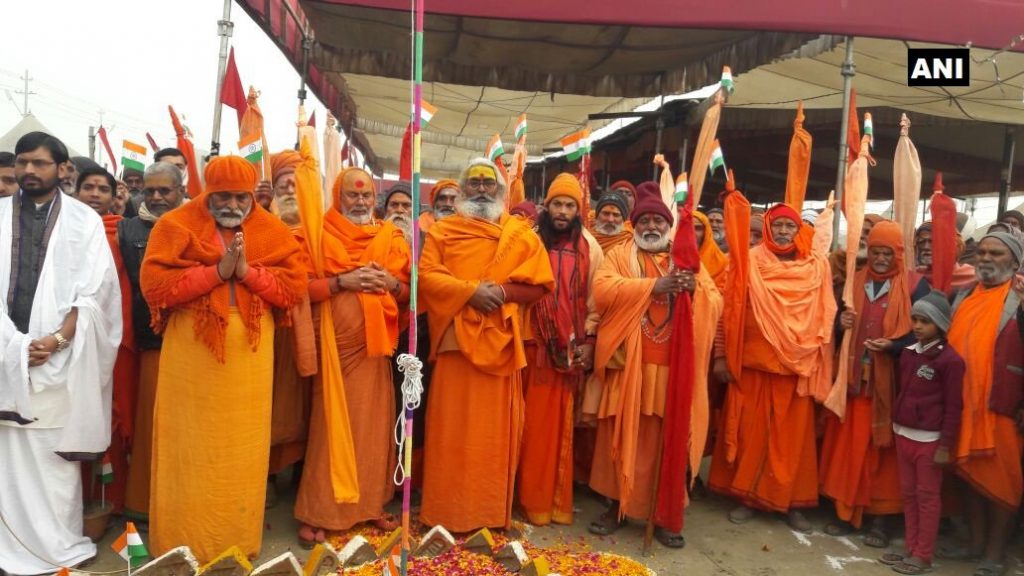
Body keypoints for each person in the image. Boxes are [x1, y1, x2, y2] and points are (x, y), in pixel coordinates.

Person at [141, 155, 306, 563]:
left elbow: (291, 291)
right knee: (189, 448)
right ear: (206, 193)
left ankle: (234, 542)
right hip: (191, 353)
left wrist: (247, 272)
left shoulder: (271, 231)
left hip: (249, 355)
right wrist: (216, 272)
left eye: (240, 197)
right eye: (222, 197)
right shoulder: (175, 225)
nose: (232, 205)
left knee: (242, 448)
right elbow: (156, 288)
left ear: (252, 196)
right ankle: (180, 544)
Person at [0, 131, 121, 574]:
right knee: (6, 456)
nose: (29, 170)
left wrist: (56, 341)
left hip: (61, 358)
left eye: (39, 163)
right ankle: (6, 548)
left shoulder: (83, 221)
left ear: (62, 169)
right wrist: (10, 346)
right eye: (22, 162)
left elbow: (95, 294)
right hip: (3, 357)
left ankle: (55, 547)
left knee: (53, 457)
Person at [419, 158, 554, 532]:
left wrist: (503, 291)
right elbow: (427, 277)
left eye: (488, 183)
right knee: (451, 429)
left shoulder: (520, 234)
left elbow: (541, 285)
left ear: (500, 190)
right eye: (474, 182)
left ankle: (488, 514)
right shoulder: (444, 232)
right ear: (462, 190)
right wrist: (470, 292)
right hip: (455, 342)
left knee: (492, 436)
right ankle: (445, 513)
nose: (481, 188)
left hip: (501, 344)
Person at [586, 182, 722, 548]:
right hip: (629, 363)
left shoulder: (685, 257)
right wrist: (654, 287)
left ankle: (665, 515)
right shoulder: (621, 255)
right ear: (636, 224)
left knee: (669, 440)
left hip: (672, 370)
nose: (651, 227)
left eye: (657, 221)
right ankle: (616, 506)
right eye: (644, 220)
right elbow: (603, 289)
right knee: (619, 438)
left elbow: (714, 300)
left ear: (668, 225)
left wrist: (694, 290)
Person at [294, 167, 412, 544]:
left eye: (365, 196)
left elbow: (408, 290)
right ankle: (322, 510)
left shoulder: (390, 237)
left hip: (374, 351)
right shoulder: (316, 233)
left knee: (374, 426)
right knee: (331, 428)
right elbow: (297, 288)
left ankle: (370, 505)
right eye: (352, 195)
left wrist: (391, 283)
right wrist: (340, 282)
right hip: (333, 347)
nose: (360, 202)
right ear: (337, 196)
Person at [709, 199, 837, 533]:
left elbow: (825, 312)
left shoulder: (815, 266)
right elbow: (729, 310)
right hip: (752, 364)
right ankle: (747, 498)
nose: (782, 232)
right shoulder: (747, 262)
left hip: (797, 367)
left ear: (799, 230)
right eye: (777, 225)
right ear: (767, 228)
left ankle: (790, 503)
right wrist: (722, 355)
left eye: (789, 226)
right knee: (750, 435)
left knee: (793, 442)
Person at [820, 221, 928, 545]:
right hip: (853, 384)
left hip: (889, 386)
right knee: (848, 449)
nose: (880, 259)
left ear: (899, 254)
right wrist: (841, 322)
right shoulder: (853, 280)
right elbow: (832, 322)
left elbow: (927, 332)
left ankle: (881, 520)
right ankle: (844, 512)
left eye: (887, 253)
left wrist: (895, 346)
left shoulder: (915, 285)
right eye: (876, 252)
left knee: (883, 455)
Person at [518, 174, 603, 526]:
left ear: (578, 210)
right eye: (557, 204)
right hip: (525, 348)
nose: (563, 211)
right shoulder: (529, 241)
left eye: (570, 205)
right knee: (522, 427)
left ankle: (543, 501)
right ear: (546, 206)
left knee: (550, 432)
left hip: (564, 353)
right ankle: (514, 498)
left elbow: (597, 299)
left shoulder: (589, 247)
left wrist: (590, 340)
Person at [944, 232, 1024, 576]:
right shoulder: (961, 296)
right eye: (982, 252)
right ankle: (975, 544)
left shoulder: (1020, 302)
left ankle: (995, 552)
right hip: (962, 405)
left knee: (1001, 482)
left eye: (997, 253)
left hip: (1003, 408)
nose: (986, 259)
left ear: (1016, 263)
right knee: (968, 475)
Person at [878, 291, 963, 576]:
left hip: (930, 440)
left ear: (940, 323)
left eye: (925, 321)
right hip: (904, 433)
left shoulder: (951, 361)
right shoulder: (909, 353)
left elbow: (953, 407)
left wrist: (944, 445)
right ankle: (910, 548)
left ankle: (923, 554)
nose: (917, 326)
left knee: (927, 496)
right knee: (908, 494)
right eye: (915, 319)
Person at [121, 162, 186, 523]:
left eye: (165, 190)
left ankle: (183, 505)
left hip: (194, 346)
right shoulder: (127, 229)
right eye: (150, 191)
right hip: (153, 344)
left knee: (188, 431)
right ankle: (145, 507)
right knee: (151, 430)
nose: (158, 197)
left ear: (180, 190)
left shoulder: (202, 226)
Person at [75, 166, 137, 514]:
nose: (95, 194)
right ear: (76, 190)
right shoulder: (62, 231)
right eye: (88, 187)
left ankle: (111, 501)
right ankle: (75, 498)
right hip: (71, 337)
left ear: (115, 197)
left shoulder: (123, 232)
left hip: (116, 336)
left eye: (103, 188)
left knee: (114, 414)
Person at [264, 151, 315, 506]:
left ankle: (300, 476)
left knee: (308, 405)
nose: (289, 189)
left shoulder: (322, 227)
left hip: (312, 328)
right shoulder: (260, 225)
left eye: (296, 183)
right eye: (283, 183)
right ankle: (263, 476)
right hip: (269, 329)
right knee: (268, 404)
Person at [694, 210, 728, 290]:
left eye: (719, 222)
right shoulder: (670, 255)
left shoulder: (726, 256)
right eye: (710, 221)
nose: (714, 225)